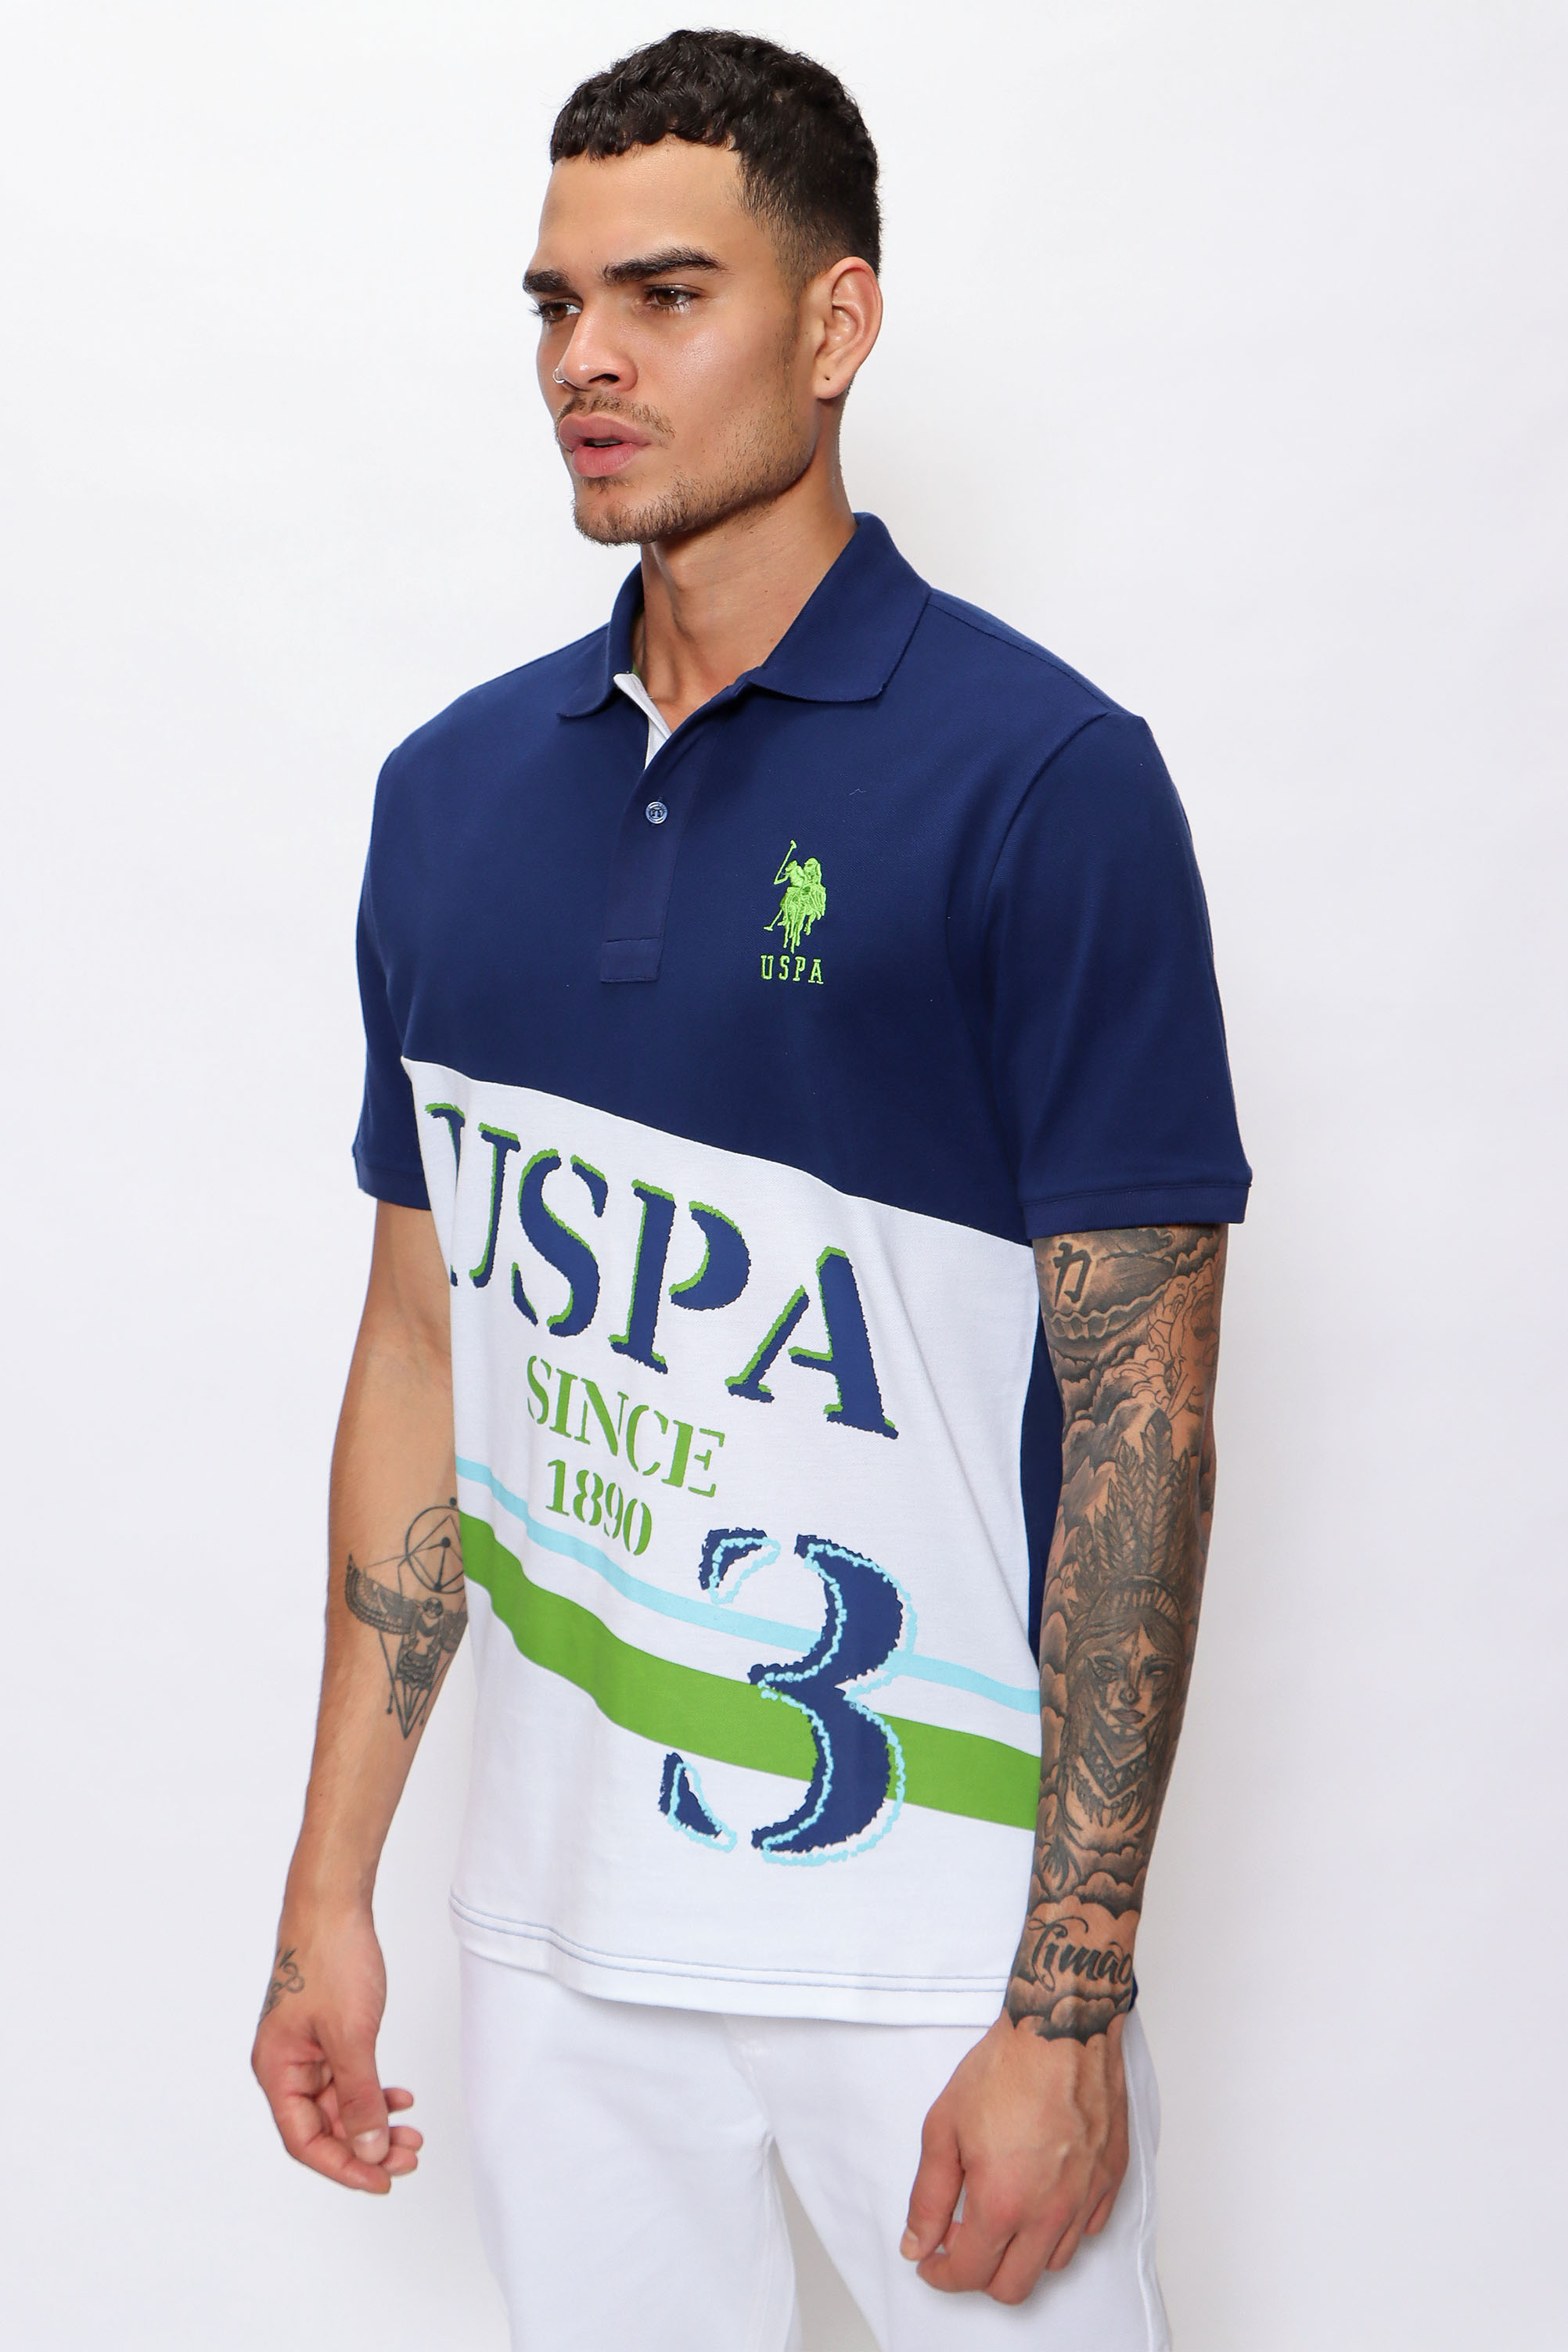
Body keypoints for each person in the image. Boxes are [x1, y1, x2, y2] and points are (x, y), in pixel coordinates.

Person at [251, 30, 1249, 2351]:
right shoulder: (446, 795)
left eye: (666, 294)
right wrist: (331, 1886)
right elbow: (420, 1338)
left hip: (929, 1950)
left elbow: (1146, 1410)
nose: (584, 360)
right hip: (552, 1948)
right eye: (554, 302)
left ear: (835, 323)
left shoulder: (1044, 779)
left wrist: (1068, 1999)